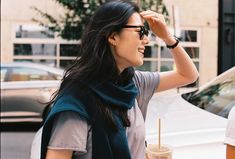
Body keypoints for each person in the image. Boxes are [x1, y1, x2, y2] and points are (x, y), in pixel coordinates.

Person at [39, 1, 199, 159]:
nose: (146, 40)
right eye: (139, 31)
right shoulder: (76, 102)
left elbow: (188, 75)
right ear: (113, 36)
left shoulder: (134, 82)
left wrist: (167, 37)